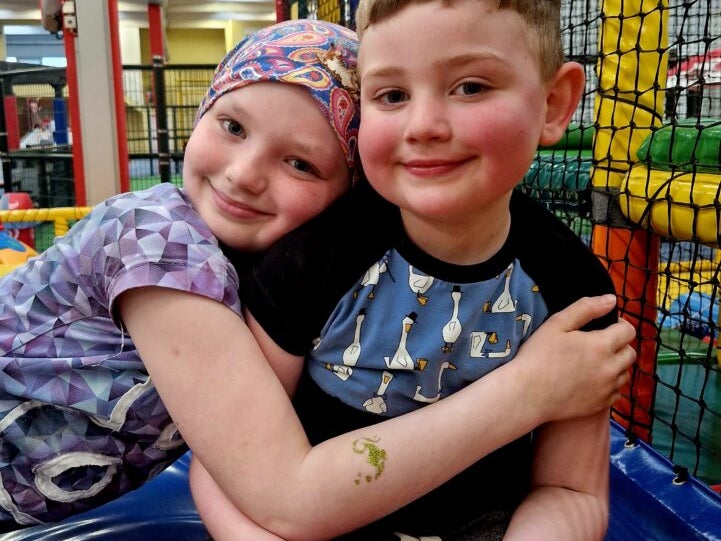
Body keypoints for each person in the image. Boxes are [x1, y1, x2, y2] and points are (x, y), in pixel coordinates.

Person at [188, 2, 637, 540]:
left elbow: (570, 490)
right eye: (393, 95)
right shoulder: (312, 260)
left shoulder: (573, 288)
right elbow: (232, 464)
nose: (424, 126)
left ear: (554, 103)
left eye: (470, 87)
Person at [0, 19, 361, 530]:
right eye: (232, 127)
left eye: (300, 163)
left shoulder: (267, 269)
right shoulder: (159, 238)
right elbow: (280, 486)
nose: (242, 174)